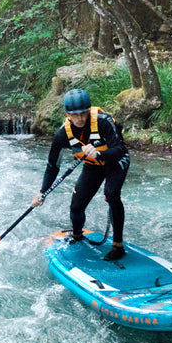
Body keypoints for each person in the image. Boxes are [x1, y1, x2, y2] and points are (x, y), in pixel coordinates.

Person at [31, 88, 130, 261]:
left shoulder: (103, 121)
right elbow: (53, 166)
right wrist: (43, 192)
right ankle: (76, 235)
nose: (80, 118)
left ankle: (118, 245)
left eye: (83, 114)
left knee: (111, 193)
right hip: (93, 166)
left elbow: (118, 149)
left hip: (116, 161)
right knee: (76, 205)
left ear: (88, 111)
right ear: (67, 114)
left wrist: (99, 154)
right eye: (75, 115)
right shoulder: (62, 134)